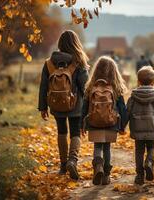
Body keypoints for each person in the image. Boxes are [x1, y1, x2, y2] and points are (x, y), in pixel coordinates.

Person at [38, 30, 89, 180]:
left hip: (56, 104)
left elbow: (43, 86)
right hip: (76, 105)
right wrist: (87, 108)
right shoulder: (79, 62)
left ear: (60, 44)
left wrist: (43, 107)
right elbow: (84, 87)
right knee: (75, 132)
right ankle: (72, 161)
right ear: (76, 43)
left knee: (61, 131)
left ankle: (63, 165)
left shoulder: (49, 63)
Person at [81, 56, 127, 185]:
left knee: (97, 146)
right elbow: (123, 108)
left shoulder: (91, 87)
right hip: (111, 122)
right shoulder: (116, 87)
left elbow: (84, 108)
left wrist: (82, 125)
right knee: (107, 149)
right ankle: (106, 176)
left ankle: (98, 166)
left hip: (94, 121)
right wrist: (122, 125)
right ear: (114, 71)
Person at [125, 66, 154, 185]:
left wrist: (121, 127)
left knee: (139, 151)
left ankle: (140, 175)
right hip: (153, 128)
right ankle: (149, 162)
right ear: (153, 82)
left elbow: (127, 113)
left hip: (137, 129)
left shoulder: (133, 98)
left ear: (138, 81)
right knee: (151, 148)